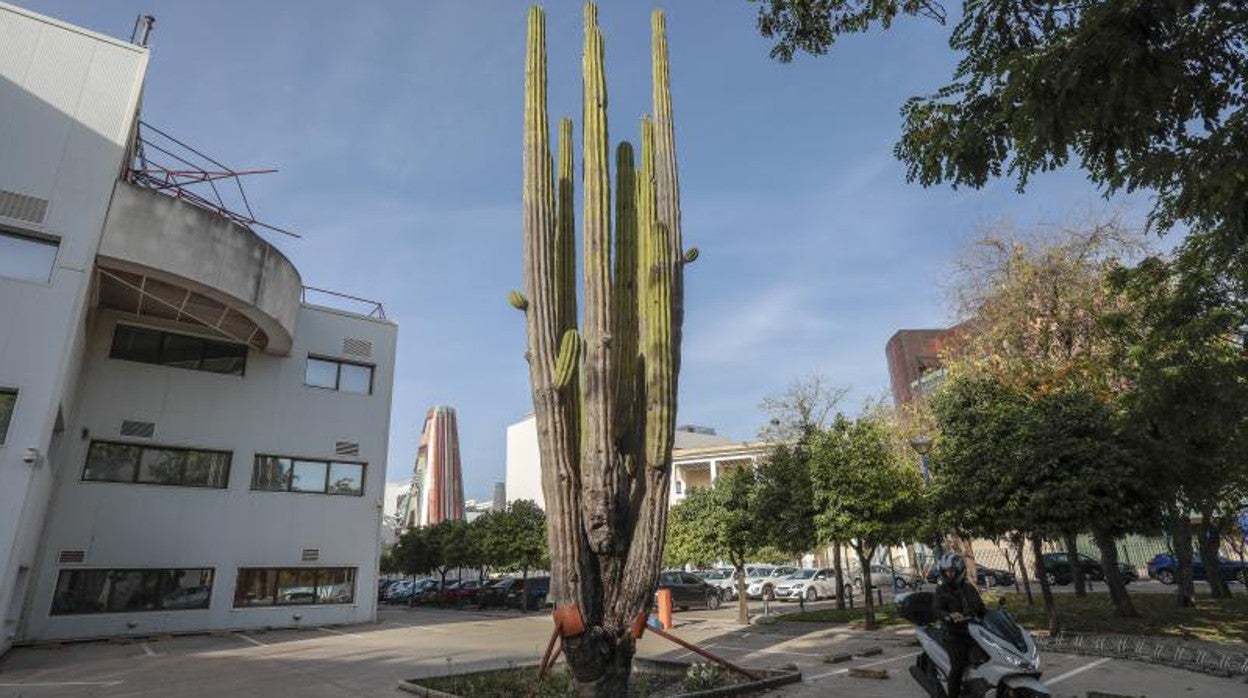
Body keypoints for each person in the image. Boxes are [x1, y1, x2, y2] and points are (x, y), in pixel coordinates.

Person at [932, 552, 984, 698]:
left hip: (974, 632)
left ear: (960, 570)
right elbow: (937, 610)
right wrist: (949, 616)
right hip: (953, 634)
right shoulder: (942, 589)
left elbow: (981, 607)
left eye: (952, 571)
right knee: (958, 666)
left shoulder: (969, 588)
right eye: (946, 571)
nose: (949, 574)